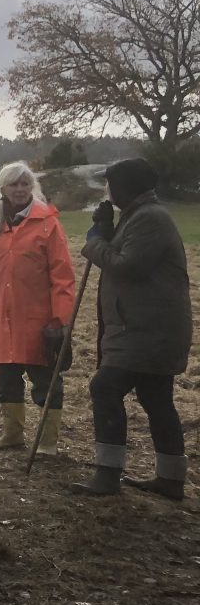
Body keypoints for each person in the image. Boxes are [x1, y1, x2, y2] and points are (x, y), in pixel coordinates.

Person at [71, 157, 191, 499]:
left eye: (110, 184)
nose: (107, 190)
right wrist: (108, 232)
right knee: (156, 398)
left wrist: (95, 241)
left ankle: (108, 475)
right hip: (144, 328)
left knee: (105, 388)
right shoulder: (139, 216)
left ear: (126, 187)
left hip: (145, 331)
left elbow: (128, 267)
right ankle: (170, 479)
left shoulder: (150, 219)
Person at [0, 161, 77, 456]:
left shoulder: (48, 223)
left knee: (45, 381)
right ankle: (12, 434)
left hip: (41, 321)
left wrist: (60, 318)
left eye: (24, 184)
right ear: (3, 188)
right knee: (6, 378)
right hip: (2, 318)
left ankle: (47, 441)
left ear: (32, 188)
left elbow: (62, 276)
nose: (19, 189)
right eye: (14, 184)